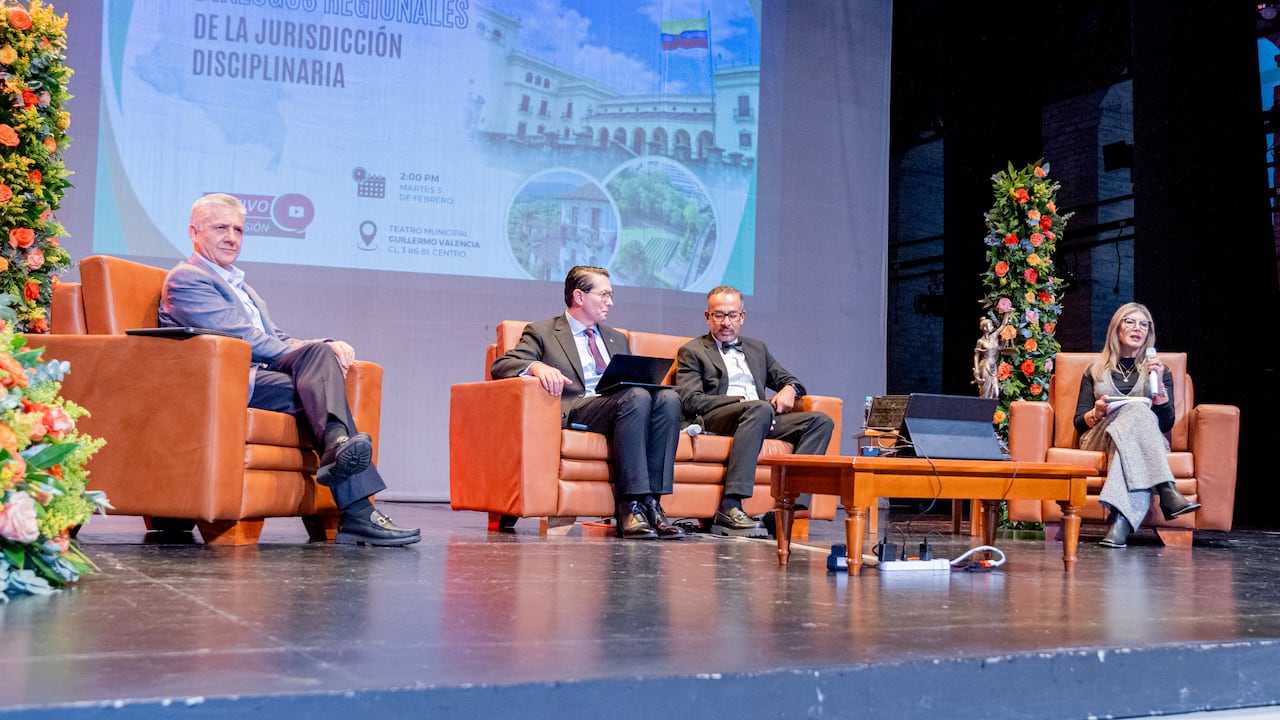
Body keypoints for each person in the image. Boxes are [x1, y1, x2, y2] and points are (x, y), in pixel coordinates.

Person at [159, 193, 420, 547]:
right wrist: (315, 351)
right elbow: (241, 338)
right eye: (221, 227)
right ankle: (357, 507)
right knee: (321, 384)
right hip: (228, 383)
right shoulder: (187, 279)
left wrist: (320, 344)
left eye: (238, 229)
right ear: (194, 232)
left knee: (320, 373)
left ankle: (340, 453)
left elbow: (276, 337)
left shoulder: (244, 287)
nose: (231, 237)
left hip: (260, 378)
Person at [490, 266, 685, 540]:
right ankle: (628, 506)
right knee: (636, 396)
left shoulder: (616, 338)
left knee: (668, 397)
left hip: (622, 407)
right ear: (579, 296)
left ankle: (653, 505)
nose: (610, 302)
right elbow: (502, 365)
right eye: (604, 295)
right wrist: (536, 366)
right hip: (579, 409)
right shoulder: (543, 331)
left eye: (611, 295)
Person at [675, 286, 834, 537]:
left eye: (732, 315)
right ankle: (730, 506)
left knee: (820, 421)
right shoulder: (692, 351)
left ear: (742, 317)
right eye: (718, 315)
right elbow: (690, 401)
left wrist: (790, 389)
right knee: (759, 409)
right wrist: (745, 404)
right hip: (719, 419)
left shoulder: (757, 349)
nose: (726, 322)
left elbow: (790, 379)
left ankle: (787, 506)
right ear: (707, 316)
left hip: (759, 418)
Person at [1074, 302, 1199, 548]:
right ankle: (1166, 489)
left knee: (1138, 412)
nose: (1137, 328)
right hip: (1100, 435)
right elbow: (1079, 423)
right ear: (1116, 329)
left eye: (1144, 324)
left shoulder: (1159, 371)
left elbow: (1166, 423)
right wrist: (1096, 412)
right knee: (1137, 408)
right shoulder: (1094, 370)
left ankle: (1120, 520)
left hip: (1145, 438)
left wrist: (1159, 391)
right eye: (1130, 321)